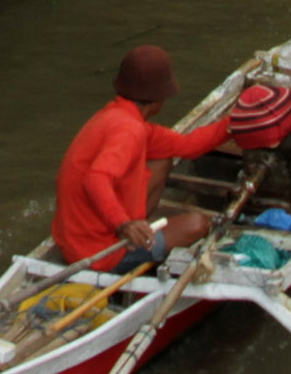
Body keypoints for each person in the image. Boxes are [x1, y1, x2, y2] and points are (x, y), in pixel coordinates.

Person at [53, 43, 226, 267]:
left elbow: (188, 145)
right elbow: (95, 179)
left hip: (73, 239)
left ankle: (139, 226)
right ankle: (136, 239)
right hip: (98, 254)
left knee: (162, 159)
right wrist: (123, 224)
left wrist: (232, 124)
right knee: (197, 224)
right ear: (159, 99)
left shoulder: (114, 117)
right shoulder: (130, 131)